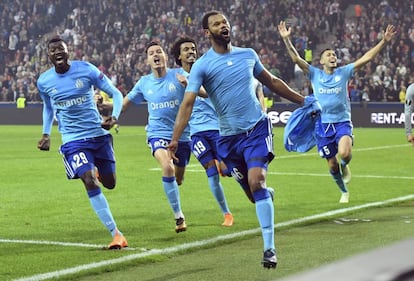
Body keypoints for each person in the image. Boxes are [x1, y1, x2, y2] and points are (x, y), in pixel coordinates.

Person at [168, 11, 306, 269]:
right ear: (207, 33)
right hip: (228, 139)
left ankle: (269, 249)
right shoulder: (202, 66)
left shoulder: (248, 54)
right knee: (254, 194)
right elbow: (188, 102)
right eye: (216, 24)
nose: (223, 26)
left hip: (256, 129)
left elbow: (272, 82)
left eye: (225, 22)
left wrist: (303, 100)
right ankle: (265, 195)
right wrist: (175, 139)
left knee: (257, 180)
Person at [278, 21, 397, 203]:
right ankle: (343, 190)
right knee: (331, 164)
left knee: (345, 154)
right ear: (322, 61)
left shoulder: (344, 72)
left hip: (342, 122)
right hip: (322, 126)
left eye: (334, 54)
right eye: (329, 55)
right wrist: (287, 40)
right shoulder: (315, 74)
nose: (333, 56)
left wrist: (384, 42)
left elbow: (366, 59)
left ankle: (345, 165)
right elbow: (296, 59)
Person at [37, 36, 127, 249]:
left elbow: (115, 92)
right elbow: (49, 108)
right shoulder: (44, 81)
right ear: (48, 55)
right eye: (53, 50)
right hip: (73, 140)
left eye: (61, 49)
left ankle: (95, 171)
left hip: (98, 135)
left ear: (68, 51)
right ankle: (116, 234)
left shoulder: (86, 69)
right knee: (88, 180)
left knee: (110, 183)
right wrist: (46, 134)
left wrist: (114, 116)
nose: (57, 52)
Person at [122, 41, 191, 233]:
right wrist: (110, 114)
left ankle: (174, 193)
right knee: (167, 167)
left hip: (183, 136)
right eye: (151, 53)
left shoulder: (180, 75)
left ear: (165, 56)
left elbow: (203, 93)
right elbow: (125, 103)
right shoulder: (144, 82)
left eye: (159, 51)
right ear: (147, 60)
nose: (155, 55)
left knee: (178, 179)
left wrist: (189, 84)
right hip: (157, 134)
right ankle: (179, 217)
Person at [171, 36, 234, 227]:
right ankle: (227, 214)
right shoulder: (175, 77)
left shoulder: (205, 72)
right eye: (186, 50)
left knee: (229, 170)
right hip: (196, 134)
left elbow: (209, 94)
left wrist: (189, 86)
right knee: (212, 172)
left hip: (218, 129)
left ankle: (260, 188)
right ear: (179, 56)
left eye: (193, 49)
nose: (191, 52)